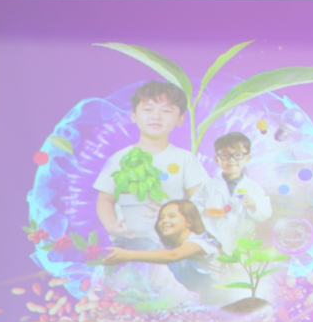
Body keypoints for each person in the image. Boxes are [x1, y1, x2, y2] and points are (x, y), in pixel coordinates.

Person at [94, 81, 207, 248]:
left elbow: (201, 198)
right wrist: (111, 226)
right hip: (128, 242)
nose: (156, 116)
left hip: (172, 244)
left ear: (180, 119)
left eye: (166, 111)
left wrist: (173, 212)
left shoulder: (185, 159)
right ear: (134, 115)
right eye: (148, 109)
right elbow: (105, 200)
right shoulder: (119, 159)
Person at [99, 199, 237, 304]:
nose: (164, 221)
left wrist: (128, 255)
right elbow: (163, 253)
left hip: (229, 301)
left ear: (189, 221)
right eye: (161, 218)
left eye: (172, 216)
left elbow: (172, 256)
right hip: (210, 301)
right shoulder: (171, 247)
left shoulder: (201, 242)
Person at [193, 131, 271, 252]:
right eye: (225, 155)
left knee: (240, 261)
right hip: (214, 240)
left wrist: (253, 206)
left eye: (238, 155)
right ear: (217, 159)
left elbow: (265, 214)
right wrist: (206, 211)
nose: (231, 159)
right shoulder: (208, 186)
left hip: (243, 243)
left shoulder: (254, 188)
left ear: (247, 158)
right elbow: (192, 206)